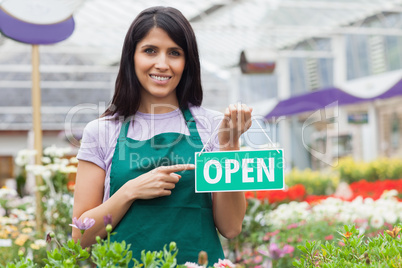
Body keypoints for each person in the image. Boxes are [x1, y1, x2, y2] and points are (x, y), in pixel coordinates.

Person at [72, 6, 252, 265]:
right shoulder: (102, 131)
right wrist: (129, 191)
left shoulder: (213, 126)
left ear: (187, 62)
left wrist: (230, 143)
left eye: (175, 53)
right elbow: (79, 239)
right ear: (131, 57)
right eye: (150, 51)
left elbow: (231, 227)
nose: (162, 64)